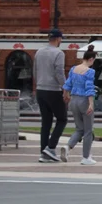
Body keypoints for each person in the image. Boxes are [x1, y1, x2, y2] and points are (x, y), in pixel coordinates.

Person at [34, 29, 68, 163]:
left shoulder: (39, 52)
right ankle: (51, 147)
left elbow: (35, 70)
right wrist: (65, 88)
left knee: (46, 122)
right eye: (61, 39)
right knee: (62, 119)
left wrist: (37, 85)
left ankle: (43, 151)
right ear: (58, 39)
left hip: (40, 89)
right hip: (53, 90)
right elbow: (59, 72)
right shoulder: (59, 53)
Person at [62, 45, 98, 165]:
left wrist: (65, 95)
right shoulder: (90, 71)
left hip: (74, 100)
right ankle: (86, 157)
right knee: (88, 131)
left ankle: (68, 146)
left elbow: (67, 84)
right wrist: (91, 104)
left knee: (79, 129)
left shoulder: (73, 69)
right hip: (84, 101)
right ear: (91, 59)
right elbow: (89, 88)